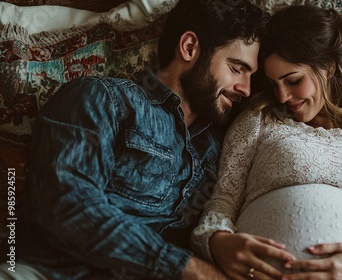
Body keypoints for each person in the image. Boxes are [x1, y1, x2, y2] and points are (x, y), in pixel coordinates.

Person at [6, 0, 269, 279]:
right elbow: (67, 206)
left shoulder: (221, 147)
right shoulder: (103, 99)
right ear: (190, 47)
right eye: (237, 68)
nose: (246, 88)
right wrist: (190, 269)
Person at [191, 5, 342, 280]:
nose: (283, 96)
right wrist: (217, 241)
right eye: (274, 84)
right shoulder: (261, 118)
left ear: (328, 67)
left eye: (293, 80)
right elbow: (223, 199)